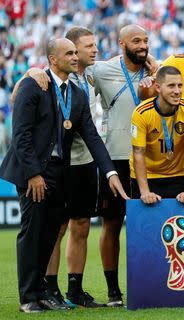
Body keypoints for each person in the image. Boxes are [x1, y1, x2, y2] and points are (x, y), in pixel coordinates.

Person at [0, 38, 127, 313]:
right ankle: (27, 298)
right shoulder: (33, 86)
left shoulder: (77, 94)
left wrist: (110, 173)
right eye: (69, 53)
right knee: (33, 233)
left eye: (74, 52)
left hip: (61, 173)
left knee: (49, 234)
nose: (74, 56)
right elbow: (20, 135)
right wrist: (33, 174)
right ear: (53, 60)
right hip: (34, 172)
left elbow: (92, 137)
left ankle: (43, 292)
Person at [39, 27, 105, 309]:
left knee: (81, 225)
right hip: (60, 163)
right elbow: (25, 85)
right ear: (70, 51)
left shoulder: (95, 74)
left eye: (93, 46)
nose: (93, 51)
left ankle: (75, 290)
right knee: (57, 227)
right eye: (85, 47)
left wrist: (152, 63)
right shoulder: (47, 77)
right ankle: (49, 288)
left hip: (86, 162)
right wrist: (32, 72)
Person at [93, 24, 149, 307]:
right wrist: (34, 71)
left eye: (146, 40)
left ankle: (151, 285)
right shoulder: (102, 70)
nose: (142, 45)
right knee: (112, 223)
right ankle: (114, 291)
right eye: (136, 40)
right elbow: (70, 72)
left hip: (150, 160)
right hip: (116, 158)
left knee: (150, 224)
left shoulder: (156, 71)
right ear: (121, 43)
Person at [130, 66, 184, 204]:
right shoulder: (141, 113)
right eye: (171, 86)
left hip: (176, 175)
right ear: (158, 88)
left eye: (180, 86)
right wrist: (145, 192)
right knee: (148, 224)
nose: (177, 91)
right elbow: (138, 152)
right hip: (147, 176)